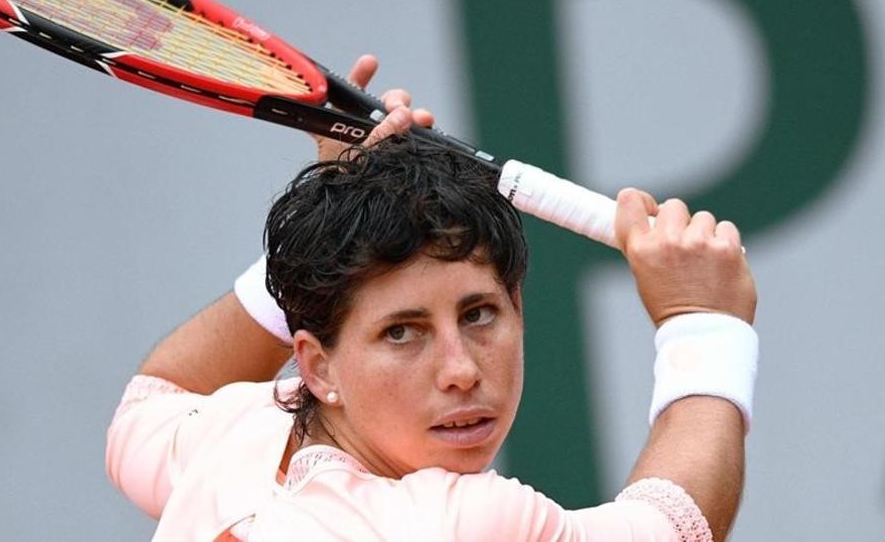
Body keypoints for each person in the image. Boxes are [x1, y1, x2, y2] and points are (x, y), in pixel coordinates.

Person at [106, 55, 758, 541]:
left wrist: (329, 229)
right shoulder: (456, 522)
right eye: (402, 332)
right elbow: (673, 527)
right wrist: (703, 324)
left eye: (477, 314)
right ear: (318, 364)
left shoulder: (226, 441)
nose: (461, 369)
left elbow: (154, 399)